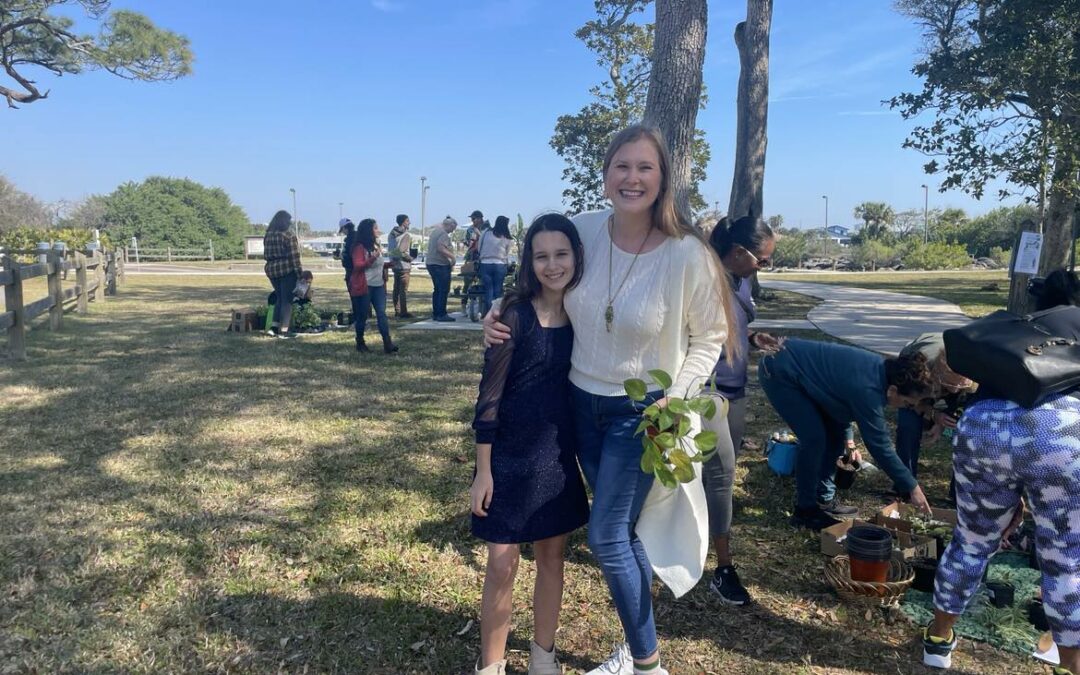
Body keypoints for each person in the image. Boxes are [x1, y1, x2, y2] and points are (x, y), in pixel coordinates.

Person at [485, 125, 736, 675]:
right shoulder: (583, 230)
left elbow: (710, 338)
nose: (633, 178)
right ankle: (636, 648)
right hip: (578, 404)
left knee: (605, 536)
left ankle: (647, 664)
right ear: (605, 175)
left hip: (642, 413)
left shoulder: (686, 254)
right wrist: (500, 314)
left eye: (645, 168)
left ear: (663, 178)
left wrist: (674, 400)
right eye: (622, 166)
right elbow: (541, 278)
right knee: (625, 532)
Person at [921, 268, 1080, 674]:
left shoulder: (1013, 325)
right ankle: (1070, 667)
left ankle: (937, 644)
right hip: (1061, 431)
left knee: (971, 541)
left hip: (984, 426)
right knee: (1064, 560)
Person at [470, 214, 590, 675]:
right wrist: (484, 469)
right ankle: (492, 665)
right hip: (507, 457)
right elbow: (489, 396)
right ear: (528, 261)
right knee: (501, 564)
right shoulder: (512, 316)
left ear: (576, 257)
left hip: (556, 458)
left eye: (562, 254)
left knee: (552, 560)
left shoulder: (585, 314)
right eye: (542, 256)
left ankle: (544, 656)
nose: (552, 265)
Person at [757, 338, 935, 530]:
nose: (907, 408)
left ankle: (822, 499)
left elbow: (840, 403)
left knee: (835, 438)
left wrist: (845, 437)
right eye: (908, 403)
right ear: (893, 390)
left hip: (798, 368)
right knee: (814, 439)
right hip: (779, 369)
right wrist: (912, 486)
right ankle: (805, 511)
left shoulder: (880, 374)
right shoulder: (869, 388)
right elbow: (879, 445)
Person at [699, 214, 783, 606]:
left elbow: (730, 324)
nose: (764, 267)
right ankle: (723, 568)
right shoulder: (703, 279)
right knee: (721, 474)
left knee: (716, 477)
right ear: (736, 253)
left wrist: (751, 336)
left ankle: (694, 537)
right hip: (707, 391)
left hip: (736, 389)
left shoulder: (742, 279)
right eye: (762, 261)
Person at [891, 332, 976, 496]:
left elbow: (962, 402)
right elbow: (909, 401)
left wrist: (941, 423)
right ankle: (905, 485)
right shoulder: (918, 365)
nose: (954, 390)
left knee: (967, 430)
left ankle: (958, 492)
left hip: (946, 377)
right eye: (949, 385)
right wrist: (933, 414)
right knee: (908, 428)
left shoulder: (973, 369)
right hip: (916, 377)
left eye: (959, 386)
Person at [347, 219, 398, 354]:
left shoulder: (376, 246)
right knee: (362, 316)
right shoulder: (359, 247)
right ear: (368, 231)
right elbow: (358, 265)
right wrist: (373, 257)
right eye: (375, 228)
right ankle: (360, 342)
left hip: (378, 285)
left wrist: (388, 264)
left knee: (382, 314)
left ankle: (388, 343)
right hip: (365, 285)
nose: (378, 230)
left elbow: (377, 265)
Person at [262, 210, 303, 338]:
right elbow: (294, 257)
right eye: (289, 221)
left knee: (279, 298)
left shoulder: (268, 235)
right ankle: (284, 331)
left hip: (271, 270)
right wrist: (299, 274)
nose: (290, 223)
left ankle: (273, 327)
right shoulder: (288, 236)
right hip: (286, 270)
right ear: (284, 221)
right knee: (287, 301)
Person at [477, 215, 514, 317]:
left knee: (488, 290)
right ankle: (497, 314)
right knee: (498, 290)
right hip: (500, 264)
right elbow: (507, 254)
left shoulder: (486, 233)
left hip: (485, 264)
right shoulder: (507, 237)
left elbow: (479, 247)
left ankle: (489, 313)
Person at [427, 216, 458, 322]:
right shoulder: (444, 234)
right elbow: (440, 248)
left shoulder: (435, 232)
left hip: (431, 263)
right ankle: (442, 314)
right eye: (453, 228)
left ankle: (436, 313)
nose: (453, 231)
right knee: (443, 289)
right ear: (449, 225)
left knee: (437, 289)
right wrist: (452, 257)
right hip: (440, 264)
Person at [388, 214, 415, 318]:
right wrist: (410, 258)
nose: (409, 223)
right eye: (408, 221)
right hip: (403, 266)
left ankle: (397, 310)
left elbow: (393, 251)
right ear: (404, 222)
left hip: (394, 264)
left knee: (396, 289)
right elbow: (401, 251)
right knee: (403, 290)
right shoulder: (405, 235)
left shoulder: (391, 234)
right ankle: (403, 312)